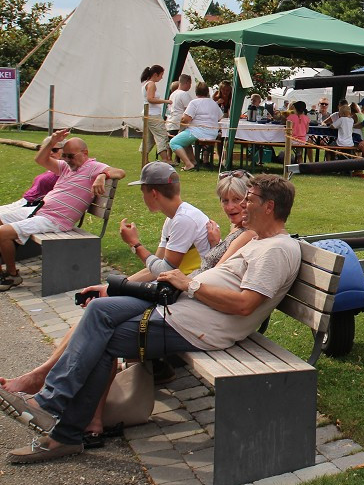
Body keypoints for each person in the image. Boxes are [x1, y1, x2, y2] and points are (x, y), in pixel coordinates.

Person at [0, 174, 301, 464]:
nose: (241, 205)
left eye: (248, 199)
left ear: (269, 206)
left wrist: (190, 284)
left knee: (102, 338)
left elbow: (247, 305)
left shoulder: (275, 250)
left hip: (198, 326)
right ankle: (55, 411)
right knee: (98, 310)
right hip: (181, 308)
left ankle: (56, 419)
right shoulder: (257, 240)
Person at [1, 171, 255, 400]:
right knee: (101, 308)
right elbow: (157, 268)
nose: (231, 206)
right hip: (176, 292)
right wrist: (116, 286)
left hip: (181, 299)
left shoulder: (187, 220)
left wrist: (135, 246)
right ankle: (49, 378)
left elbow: (167, 271)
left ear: (152, 193)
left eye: (238, 200)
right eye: (225, 200)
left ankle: (53, 386)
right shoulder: (181, 219)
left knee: (102, 317)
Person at [0, 131, 125, 292]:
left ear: (84, 153)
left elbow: (120, 172)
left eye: (70, 156)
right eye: (64, 155)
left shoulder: (93, 167)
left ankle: (12, 275)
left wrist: (102, 175)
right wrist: (52, 141)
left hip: (55, 219)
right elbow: (40, 159)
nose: (66, 159)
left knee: (2, 232)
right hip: (41, 210)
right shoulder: (67, 167)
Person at [0, 137, 62, 222]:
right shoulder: (52, 168)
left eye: (55, 150)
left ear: (64, 150)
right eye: (46, 150)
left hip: (33, 206)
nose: (50, 153)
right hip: (24, 202)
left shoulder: (65, 169)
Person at [170, 82, 223, 171]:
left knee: (174, 142)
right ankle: (193, 161)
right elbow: (220, 118)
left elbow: (185, 119)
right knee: (185, 141)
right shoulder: (214, 103)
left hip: (197, 132)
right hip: (212, 133)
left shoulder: (194, 103)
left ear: (196, 92)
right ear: (207, 92)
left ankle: (188, 164)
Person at [140, 65, 172, 161]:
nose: (162, 77)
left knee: (149, 138)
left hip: (148, 113)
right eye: (161, 75)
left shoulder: (146, 84)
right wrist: (165, 101)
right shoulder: (151, 84)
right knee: (162, 135)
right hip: (153, 114)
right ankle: (165, 160)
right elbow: (150, 99)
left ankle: (145, 159)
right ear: (155, 74)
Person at [165, 74, 193, 144]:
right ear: (187, 83)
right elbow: (189, 110)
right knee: (182, 145)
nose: (190, 86)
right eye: (190, 83)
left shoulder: (172, 94)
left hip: (171, 123)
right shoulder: (184, 94)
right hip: (179, 125)